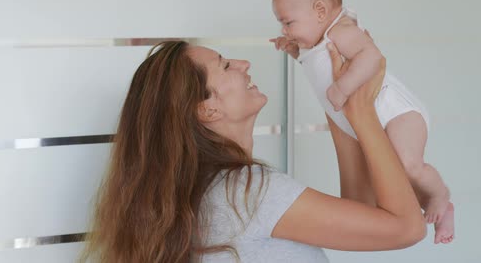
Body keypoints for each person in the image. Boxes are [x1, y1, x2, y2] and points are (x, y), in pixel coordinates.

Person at [80, 40, 425, 263]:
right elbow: (406, 228)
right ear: (207, 109)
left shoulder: (207, 194)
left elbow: (361, 217)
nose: (243, 63)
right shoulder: (247, 192)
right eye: (225, 65)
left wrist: (335, 101)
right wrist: (363, 111)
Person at [270, 0, 454, 244]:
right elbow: (317, 67)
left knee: (409, 165)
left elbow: (373, 58)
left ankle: (441, 195)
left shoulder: (341, 31)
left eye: (288, 23)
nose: (285, 30)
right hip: (373, 119)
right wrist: (295, 51)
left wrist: (343, 87)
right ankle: (437, 210)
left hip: (398, 113)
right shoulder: (317, 43)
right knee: (395, 177)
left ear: (320, 11)